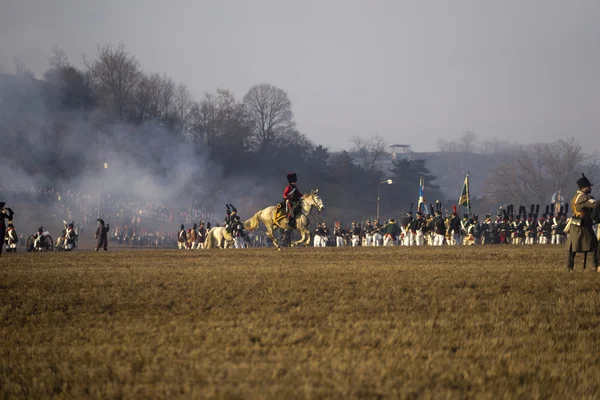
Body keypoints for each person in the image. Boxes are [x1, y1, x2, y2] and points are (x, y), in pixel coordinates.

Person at [566, 173, 598, 272]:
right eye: (588, 187)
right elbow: (595, 205)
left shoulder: (575, 197)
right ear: (584, 188)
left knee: (572, 247)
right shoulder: (584, 198)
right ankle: (595, 266)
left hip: (575, 224)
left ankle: (569, 267)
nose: (590, 188)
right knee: (595, 245)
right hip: (583, 225)